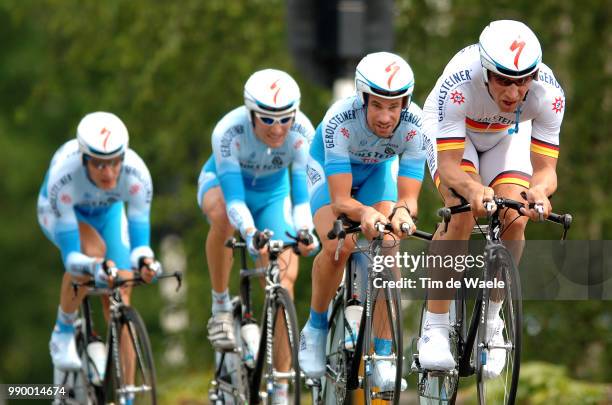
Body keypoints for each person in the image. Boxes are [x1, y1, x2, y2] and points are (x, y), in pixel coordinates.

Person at [419, 20, 565, 378]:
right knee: (463, 214)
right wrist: (473, 189)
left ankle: (493, 319)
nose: (514, 93)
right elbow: (452, 168)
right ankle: (434, 327)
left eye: (522, 80)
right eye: (503, 80)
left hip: (507, 136)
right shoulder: (458, 84)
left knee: (513, 216)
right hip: (453, 137)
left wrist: (540, 193)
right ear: (485, 71)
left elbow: (546, 170)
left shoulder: (549, 94)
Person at [298, 51, 427, 391]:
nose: (386, 117)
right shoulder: (340, 120)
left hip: (376, 175)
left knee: (388, 243)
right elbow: (341, 201)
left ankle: (384, 354)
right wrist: (367, 213)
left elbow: (409, 197)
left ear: (406, 103)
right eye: (378, 105)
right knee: (337, 243)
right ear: (362, 99)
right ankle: (315, 326)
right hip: (329, 176)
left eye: (394, 106)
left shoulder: (416, 125)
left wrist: (400, 212)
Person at [197, 68, 318, 404]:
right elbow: (234, 200)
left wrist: (305, 232)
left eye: (285, 119)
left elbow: (301, 196)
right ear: (251, 113)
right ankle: (220, 305)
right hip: (225, 189)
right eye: (267, 119)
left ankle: (280, 386)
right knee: (223, 216)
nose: (278, 128)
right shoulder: (228, 131)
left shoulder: (303, 132)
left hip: (272, 196)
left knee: (285, 280)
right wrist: (250, 233)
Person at [37, 112, 161, 383]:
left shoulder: (137, 175)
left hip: (108, 213)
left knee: (120, 292)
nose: (109, 172)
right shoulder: (64, 177)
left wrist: (146, 262)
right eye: (100, 165)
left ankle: (127, 392)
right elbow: (72, 259)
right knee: (93, 252)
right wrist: (95, 266)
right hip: (62, 213)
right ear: (84, 160)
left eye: (115, 163)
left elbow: (141, 246)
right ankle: (63, 331)